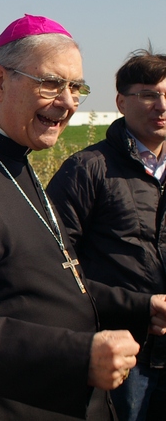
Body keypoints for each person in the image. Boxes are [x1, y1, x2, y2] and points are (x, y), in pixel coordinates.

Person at [0, 14, 166, 420]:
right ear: (1, 81)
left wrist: (141, 308)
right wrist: (77, 356)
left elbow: (47, 280)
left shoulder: (15, 157)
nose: (69, 102)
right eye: (52, 83)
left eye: (76, 87)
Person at [48, 49, 166, 420]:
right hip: (124, 356)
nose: (161, 105)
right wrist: (137, 307)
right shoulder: (86, 170)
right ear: (120, 102)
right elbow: (52, 267)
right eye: (148, 93)